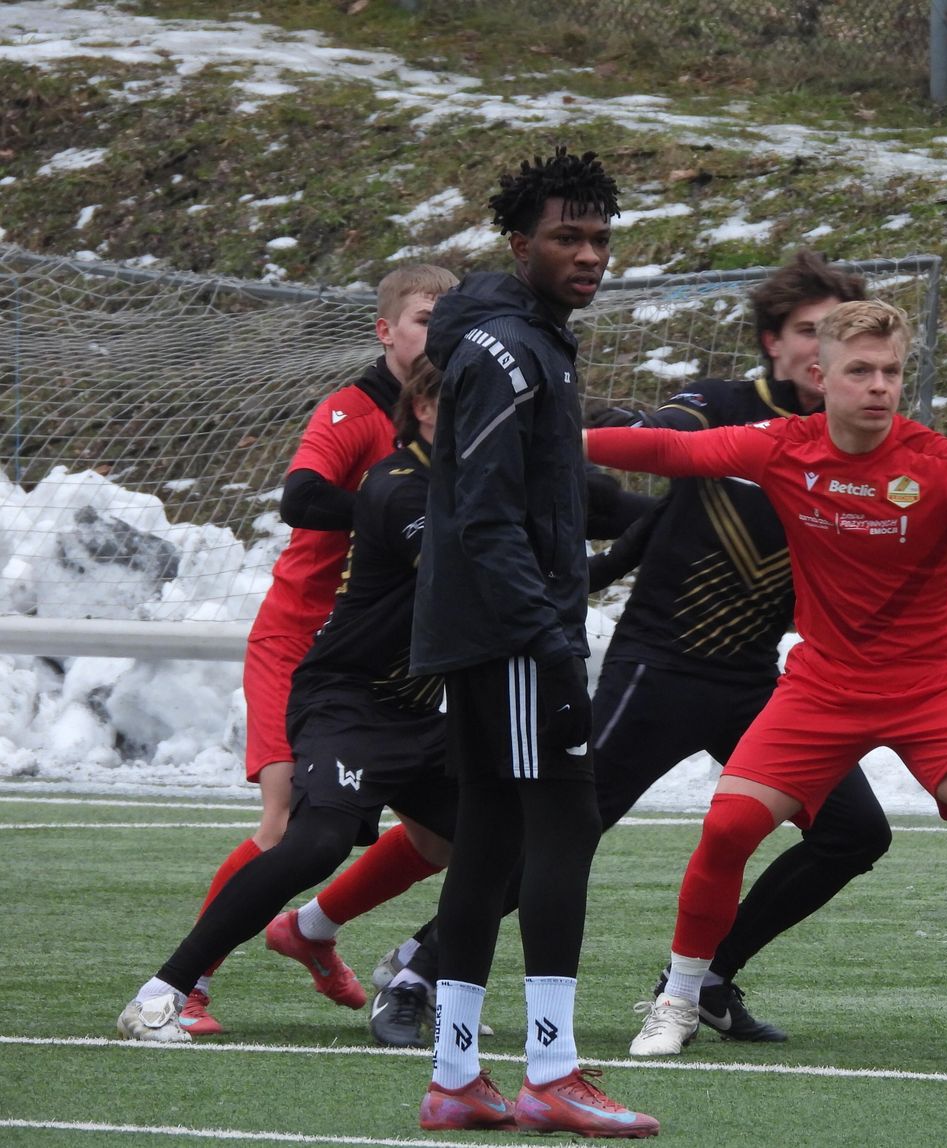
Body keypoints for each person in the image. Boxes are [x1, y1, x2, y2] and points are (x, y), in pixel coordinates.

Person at [585, 299, 947, 1059]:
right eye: (860, 371)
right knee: (727, 827)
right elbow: (667, 450)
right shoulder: (781, 447)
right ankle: (680, 997)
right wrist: (555, 435)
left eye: (891, 371)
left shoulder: (942, 465)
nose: (879, 386)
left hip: (932, 688)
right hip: (822, 689)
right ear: (820, 377)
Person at [368, 251, 895, 1050]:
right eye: (808, 331)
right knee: (561, 833)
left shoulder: (854, 444)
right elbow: (666, 430)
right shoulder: (721, 406)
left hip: (758, 684)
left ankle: (708, 977)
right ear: (775, 343)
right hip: (659, 671)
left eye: (840, 335)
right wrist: (601, 438)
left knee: (855, 832)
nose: (826, 348)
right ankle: (419, 969)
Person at [409, 147, 657, 1137]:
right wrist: (548, 636)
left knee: (491, 839)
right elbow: (486, 514)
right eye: (567, 237)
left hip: (492, 630)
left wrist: (629, 526)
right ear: (521, 245)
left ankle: (455, 1075)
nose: (589, 254)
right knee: (563, 823)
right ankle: (551, 1069)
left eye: (600, 238)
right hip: (513, 637)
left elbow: (541, 494)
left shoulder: (527, 341)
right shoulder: (510, 352)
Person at [117, 359, 458, 1042]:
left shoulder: (473, 464)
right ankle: (175, 990)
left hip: (408, 691)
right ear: (389, 334)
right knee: (295, 834)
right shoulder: (367, 435)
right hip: (316, 657)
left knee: (487, 841)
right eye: (424, 316)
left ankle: (359, 947)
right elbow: (301, 498)